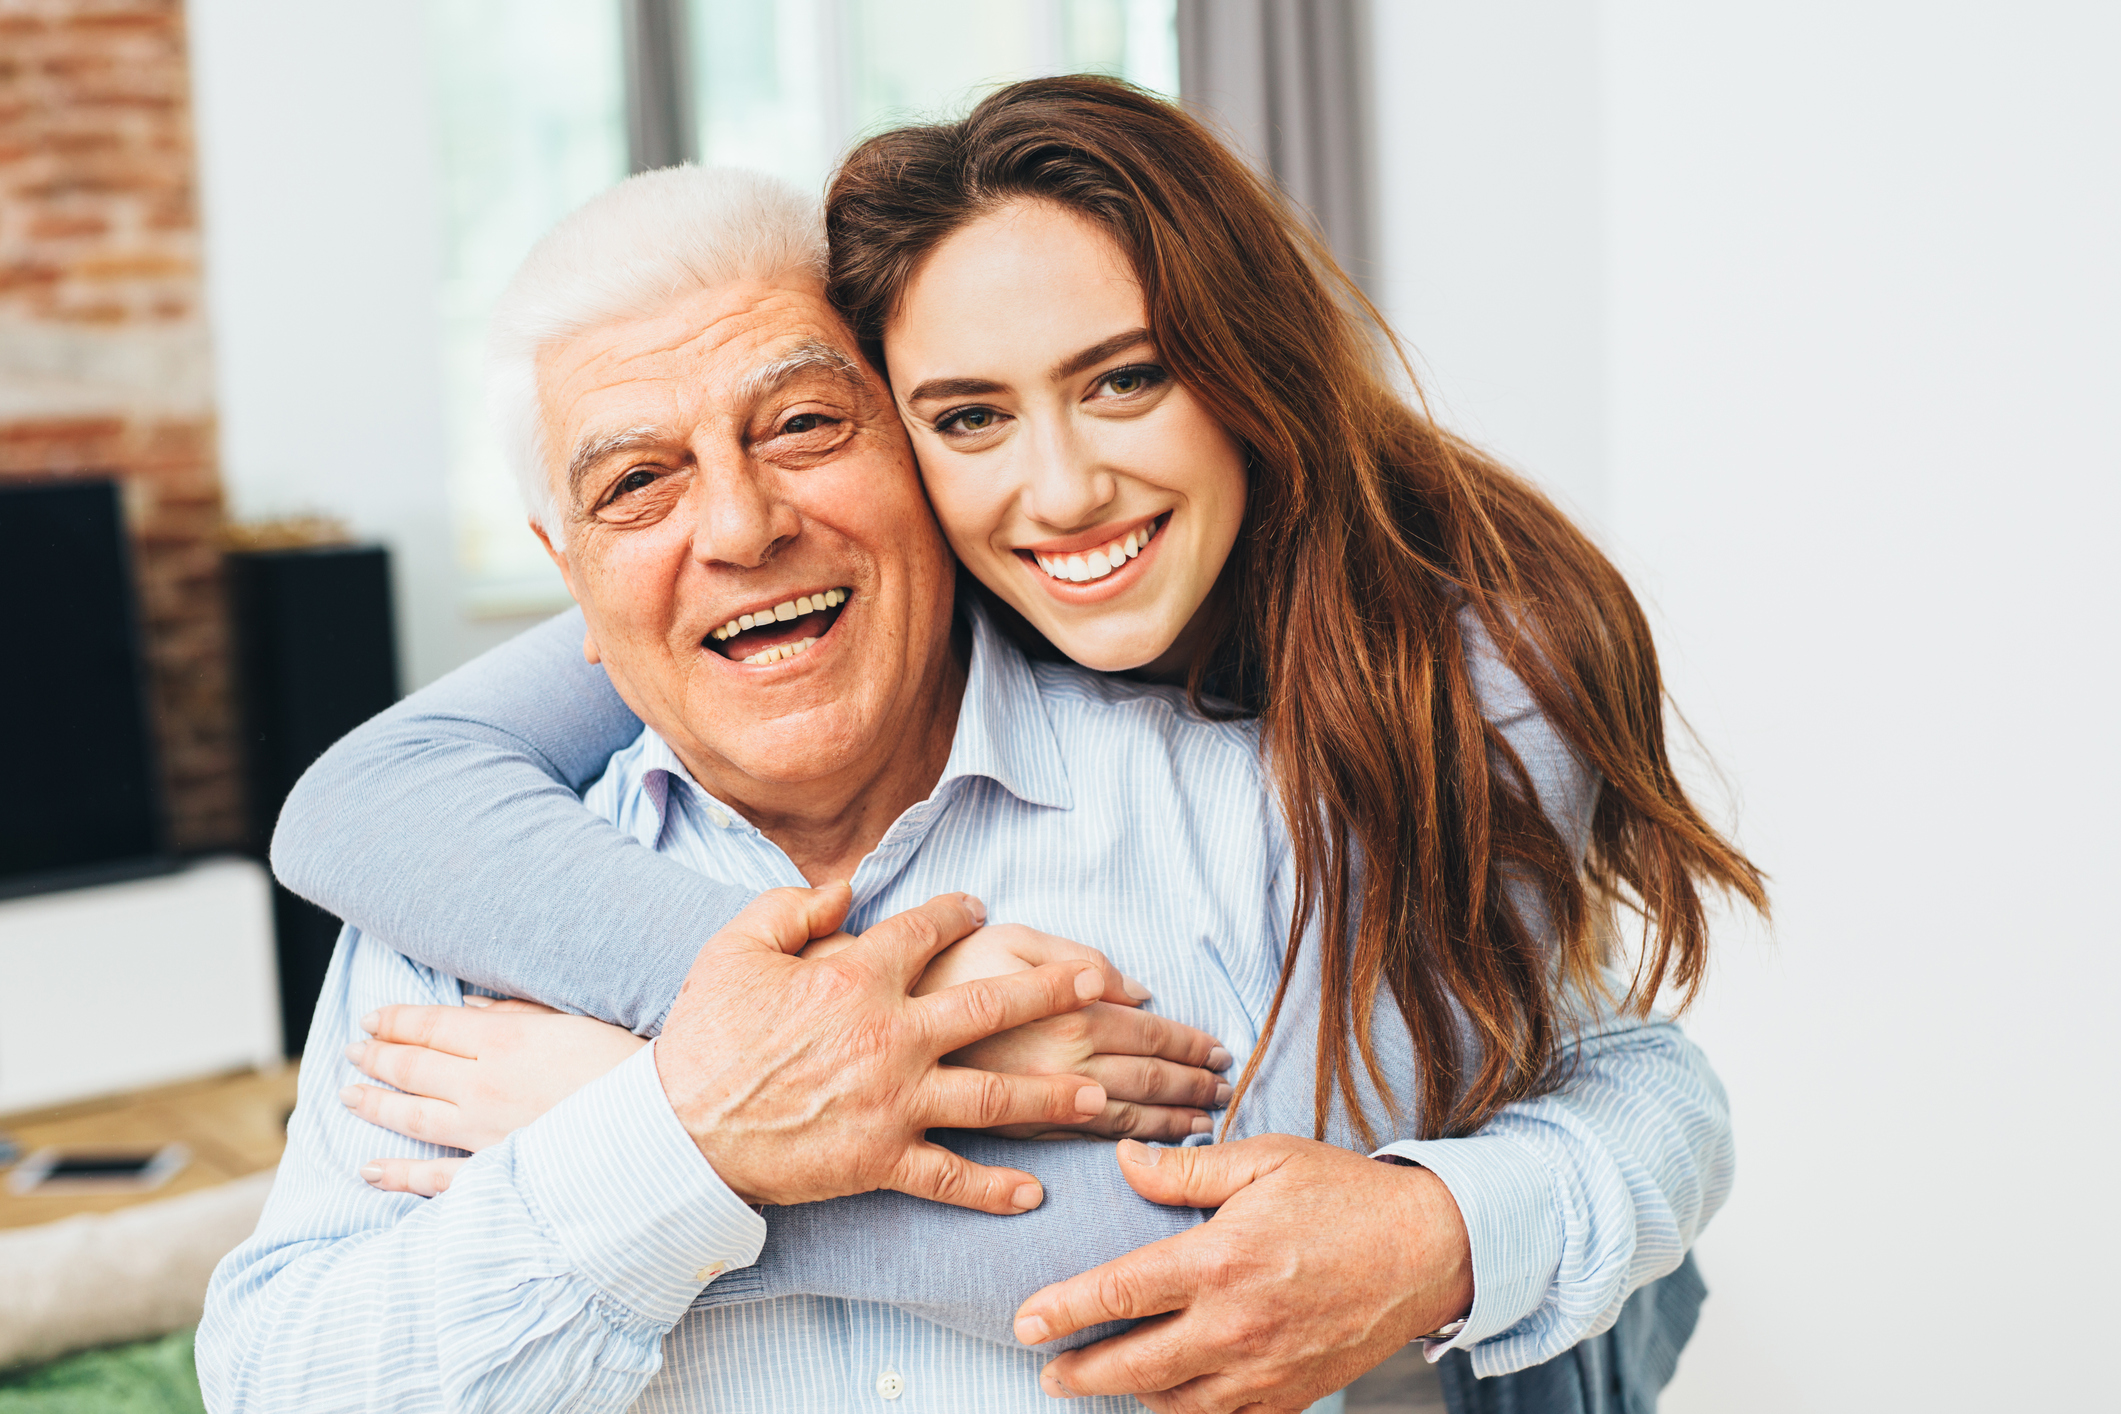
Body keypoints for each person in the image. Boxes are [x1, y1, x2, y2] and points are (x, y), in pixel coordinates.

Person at [267, 78, 1763, 1409]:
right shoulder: (481, 876)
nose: (736, 523)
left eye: (799, 426)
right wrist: (766, 1070)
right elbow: (286, 1372)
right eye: (637, 485)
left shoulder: (1408, 708)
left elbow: (1248, 1279)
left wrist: (652, 1135)